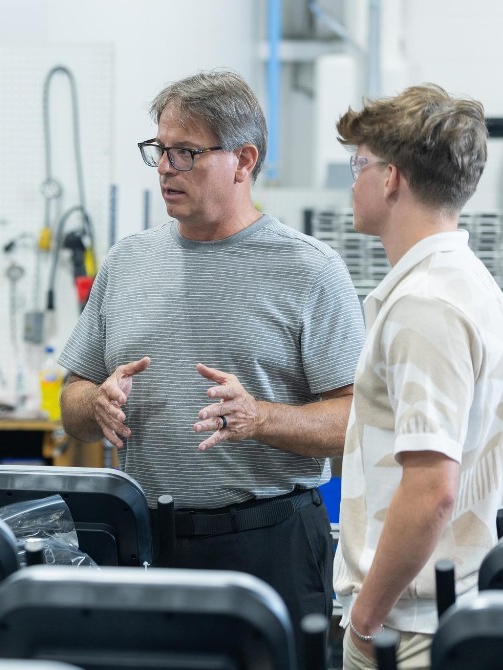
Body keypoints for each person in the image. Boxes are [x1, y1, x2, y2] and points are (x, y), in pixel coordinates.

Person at [58, 70, 365, 633]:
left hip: (268, 544)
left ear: (243, 161)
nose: (167, 170)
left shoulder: (309, 270)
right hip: (144, 539)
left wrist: (261, 418)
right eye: (160, 150)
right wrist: (94, 403)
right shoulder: (128, 262)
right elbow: (71, 402)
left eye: (186, 153)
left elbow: (356, 421)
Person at [333, 85, 503, 670]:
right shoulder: (464, 285)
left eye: (357, 164)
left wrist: (365, 620)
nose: (353, 181)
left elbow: (432, 489)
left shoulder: (426, 306)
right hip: (433, 615)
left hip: (407, 630)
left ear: (391, 179)